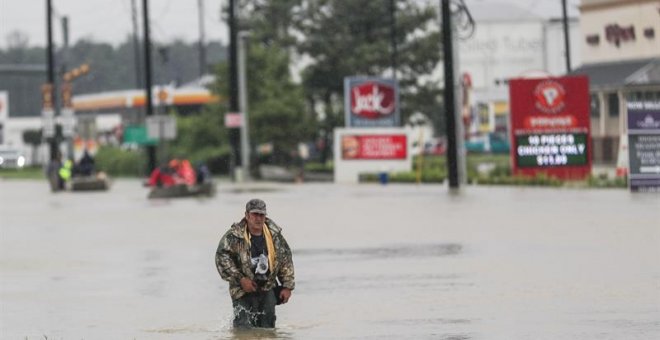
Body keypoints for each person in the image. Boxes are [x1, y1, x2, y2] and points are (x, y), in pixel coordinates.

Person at [215, 199, 295, 329]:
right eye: (255, 214)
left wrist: (287, 286)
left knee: (268, 329)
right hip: (242, 290)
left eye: (261, 215)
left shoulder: (275, 235)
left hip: (267, 287)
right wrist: (241, 279)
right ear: (247, 215)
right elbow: (222, 258)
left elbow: (285, 260)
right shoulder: (233, 236)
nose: (258, 218)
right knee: (243, 329)